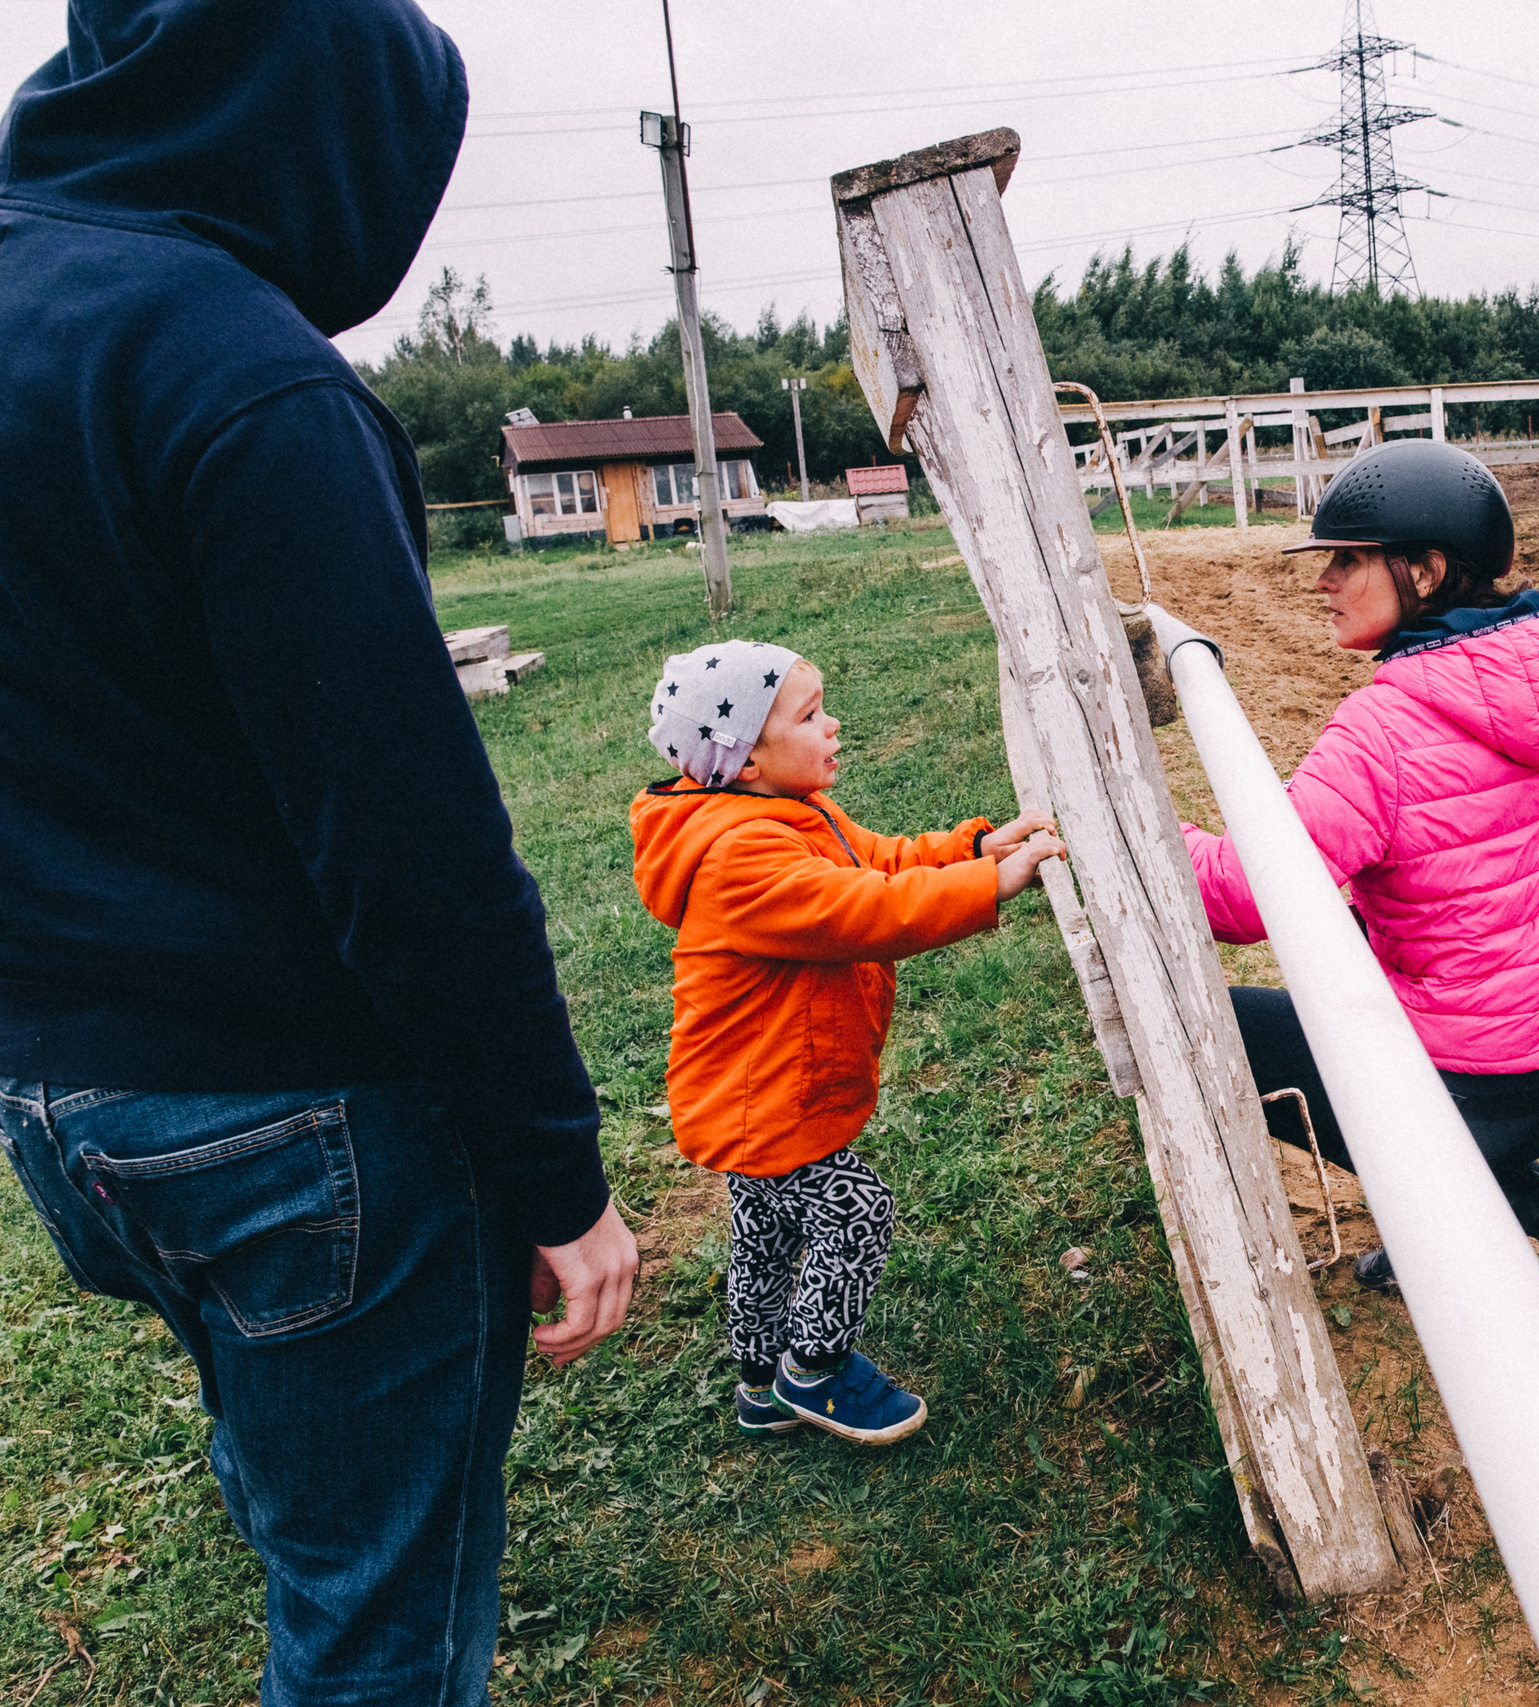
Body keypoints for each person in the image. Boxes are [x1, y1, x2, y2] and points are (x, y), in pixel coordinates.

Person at [0, 2, 637, 1700]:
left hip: (63, 1101)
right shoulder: (235, 368)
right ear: (316, 126)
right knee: (378, 1634)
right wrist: (557, 1179)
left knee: (291, 1437)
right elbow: (408, 848)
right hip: (300, 1117)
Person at [1183, 440, 1539, 1356]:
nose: (1324, 580)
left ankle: (1458, 1218)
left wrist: (1146, 839)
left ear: (1426, 570)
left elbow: (1252, 896)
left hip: (1447, 1085)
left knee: (1206, 1022)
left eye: (1348, 557)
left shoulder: (1383, 733)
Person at [630, 644, 1064, 1442]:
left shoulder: (785, 814)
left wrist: (972, 850)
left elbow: (877, 861)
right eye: (808, 715)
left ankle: (759, 1384)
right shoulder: (740, 856)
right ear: (748, 759)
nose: (832, 725)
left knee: (764, 1231)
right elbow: (867, 910)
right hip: (764, 1100)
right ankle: (814, 1370)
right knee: (855, 1208)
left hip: (754, 1089)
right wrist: (986, 889)